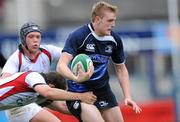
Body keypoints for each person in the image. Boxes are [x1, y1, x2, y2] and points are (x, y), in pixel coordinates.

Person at [56, 1, 142, 122]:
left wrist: (127, 96)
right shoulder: (79, 35)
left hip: (103, 92)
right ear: (97, 19)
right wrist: (76, 78)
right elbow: (61, 66)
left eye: (114, 20)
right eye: (110, 21)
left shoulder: (114, 40)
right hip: (78, 93)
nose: (113, 25)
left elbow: (121, 69)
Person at [0, 22, 68, 122]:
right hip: (19, 106)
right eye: (31, 36)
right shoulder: (16, 59)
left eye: (38, 36)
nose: (35, 40)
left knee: (65, 107)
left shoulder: (48, 51)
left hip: (38, 95)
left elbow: (69, 54)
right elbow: (4, 83)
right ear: (23, 39)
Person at [0, 71, 96, 111]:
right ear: (51, 86)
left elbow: (63, 108)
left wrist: (95, 109)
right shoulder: (34, 76)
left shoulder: (38, 96)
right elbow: (49, 93)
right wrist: (80, 96)